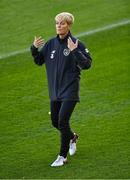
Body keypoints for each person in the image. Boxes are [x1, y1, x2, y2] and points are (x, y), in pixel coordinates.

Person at [30, 12, 92, 167]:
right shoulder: (50, 44)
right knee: (55, 122)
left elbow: (87, 65)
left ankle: (62, 157)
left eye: (62, 23)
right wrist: (33, 48)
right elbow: (39, 61)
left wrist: (74, 51)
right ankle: (72, 137)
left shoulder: (76, 43)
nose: (58, 26)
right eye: (57, 23)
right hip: (55, 91)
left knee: (63, 121)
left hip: (70, 90)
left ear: (69, 25)